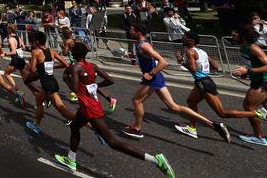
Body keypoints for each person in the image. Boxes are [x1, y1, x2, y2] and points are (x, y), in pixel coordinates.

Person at [54, 42, 175, 177]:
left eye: (72, 50)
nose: (71, 52)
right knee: (74, 127)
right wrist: (93, 85)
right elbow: (110, 80)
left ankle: (155, 160)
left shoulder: (75, 67)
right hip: (89, 105)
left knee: (113, 142)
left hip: (90, 108)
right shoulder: (92, 66)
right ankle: (71, 159)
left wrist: (66, 79)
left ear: (76, 53)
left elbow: (75, 89)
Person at [123, 24, 230, 142]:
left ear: (139, 32)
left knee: (137, 101)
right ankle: (214, 125)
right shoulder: (140, 44)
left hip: (152, 78)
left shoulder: (144, 45)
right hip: (157, 78)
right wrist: (131, 56)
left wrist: (151, 73)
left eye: (132, 30)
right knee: (174, 107)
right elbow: (146, 57)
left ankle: (137, 129)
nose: (130, 32)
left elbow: (163, 62)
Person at [173, 31, 265, 139]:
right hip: (202, 82)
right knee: (191, 102)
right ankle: (192, 128)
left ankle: (257, 114)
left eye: (184, 37)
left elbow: (193, 68)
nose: (182, 38)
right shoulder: (202, 52)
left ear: (191, 40)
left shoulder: (190, 51)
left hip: (204, 83)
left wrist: (182, 62)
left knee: (222, 113)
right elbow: (215, 66)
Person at [24, 31, 74, 134]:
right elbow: (66, 64)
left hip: (47, 85)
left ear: (37, 41)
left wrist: (29, 64)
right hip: (52, 82)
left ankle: (92, 126)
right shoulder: (52, 51)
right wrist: (53, 66)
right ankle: (36, 124)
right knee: (38, 100)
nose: (31, 43)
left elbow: (33, 70)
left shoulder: (36, 52)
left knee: (63, 111)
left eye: (32, 41)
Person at [230, 25, 267, 145]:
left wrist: (249, 71)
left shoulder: (253, 48)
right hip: (257, 80)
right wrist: (244, 73)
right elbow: (251, 65)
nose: (232, 36)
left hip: (263, 81)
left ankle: (259, 137)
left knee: (249, 107)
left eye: (235, 34)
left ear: (243, 36)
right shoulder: (244, 48)